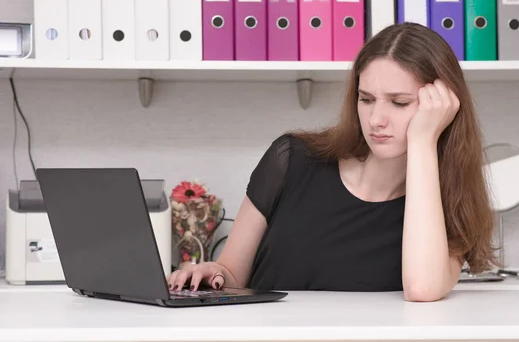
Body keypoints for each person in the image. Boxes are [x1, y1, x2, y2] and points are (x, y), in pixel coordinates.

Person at [166, 22, 497, 302]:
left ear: (439, 107)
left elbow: (422, 288)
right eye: (366, 99)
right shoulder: (291, 159)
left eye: (399, 103)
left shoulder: (448, 203)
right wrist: (212, 274)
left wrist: (424, 140)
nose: (376, 119)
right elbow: (233, 275)